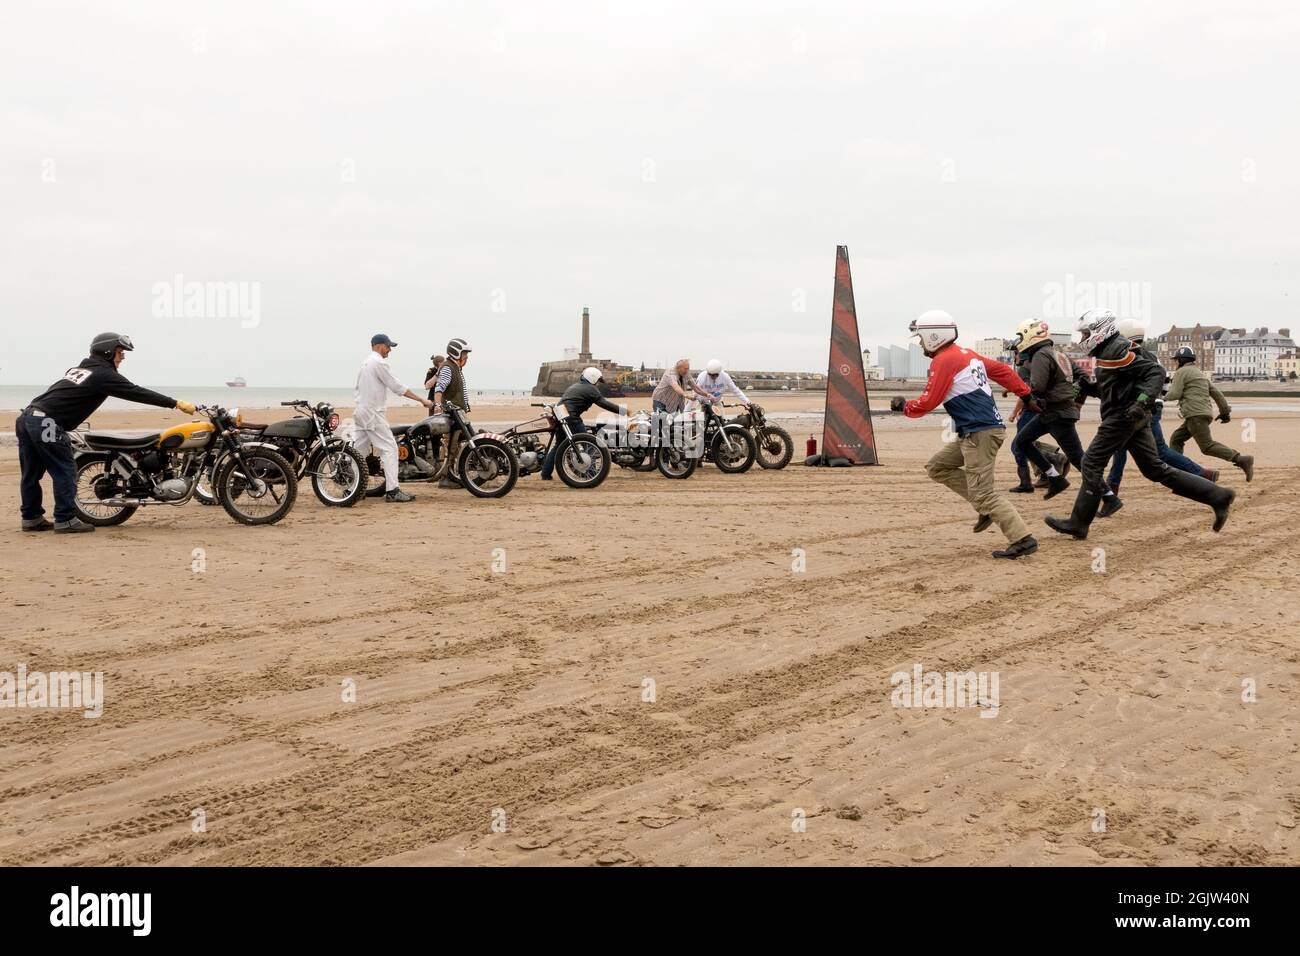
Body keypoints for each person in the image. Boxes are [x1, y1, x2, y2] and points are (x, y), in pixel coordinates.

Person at [1044, 310, 1235, 540]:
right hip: (1131, 417)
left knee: (1091, 463)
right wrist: (1088, 386)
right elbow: (1115, 388)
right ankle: (1218, 496)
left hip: (1122, 418)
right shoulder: (1108, 350)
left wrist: (1142, 402)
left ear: (1098, 330)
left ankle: (1079, 522)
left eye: (1085, 334)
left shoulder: (1116, 349)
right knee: (1154, 469)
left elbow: (1156, 372)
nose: (1082, 339)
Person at [17, 332, 197, 533]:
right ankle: (65, 519)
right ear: (107, 351)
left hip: (28, 418)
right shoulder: (102, 375)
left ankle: (31, 517)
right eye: (120, 352)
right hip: (47, 422)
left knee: (31, 473)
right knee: (66, 469)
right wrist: (175, 403)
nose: (122, 358)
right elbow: (136, 392)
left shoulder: (81, 370)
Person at [902, 310, 1040, 559]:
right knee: (938, 467)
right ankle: (984, 507)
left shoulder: (944, 360)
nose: (920, 342)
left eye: (920, 337)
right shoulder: (966, 355)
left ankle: (1022, 539)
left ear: (933, 335)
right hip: (977, 432)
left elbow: (928, 401)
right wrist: (1026, 394)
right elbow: (1003, 371)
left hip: (980, 434)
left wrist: (903, 406)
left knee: (984, 493)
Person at [1103, 321, 1215, 508]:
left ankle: (1201, 475)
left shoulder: (1129, 356)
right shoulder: (1153, 357)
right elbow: (1163, 385)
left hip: (1138, 409)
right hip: (1153, 407)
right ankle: (1111, 493)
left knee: (1144, 452)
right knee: (1141, 450)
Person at [1008, 319, 1115, 511]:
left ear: (1030, 336)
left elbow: (1038, 387)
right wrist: (1074, 396)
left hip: (1055, 414)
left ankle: (1106, 496)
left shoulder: (1040, 355)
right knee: (1024, 442)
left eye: (1021, 336)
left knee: (1076, 458)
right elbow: (1083, 377)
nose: (1019, 340)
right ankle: (1056, 479)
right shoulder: (1059, 354)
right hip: (1059, 413)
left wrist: (1026, 395)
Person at [352, 333, 432, 503]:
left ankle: (351, 488)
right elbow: (397, 386)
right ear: (379, 345)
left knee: (358, 452)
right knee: (390, 449)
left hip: (361, 411)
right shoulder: (379, 362)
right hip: (373, 413)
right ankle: (393, 490)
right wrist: (422, 400)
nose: (389, 350)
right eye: (388, 346)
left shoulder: (365, 362)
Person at [1166, 346, 1254, 482]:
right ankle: (1178, 471)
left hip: (1195, 415)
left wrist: (1157, 397)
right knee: (1176, 439)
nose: (1175, 363)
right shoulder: (1199, 373)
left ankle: (1241, 459)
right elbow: (1216, 393)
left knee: (1207, 446)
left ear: (1181, 360)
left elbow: (1175, 393)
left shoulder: (1181, 372)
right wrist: (1224, 412)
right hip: (1202, 414)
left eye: (1176, 360)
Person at [1006, 336, 1069, 493]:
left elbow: (1026, 392)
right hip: (1043, 409)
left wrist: (1014, 412)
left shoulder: (1025, 367)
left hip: (1030, 410)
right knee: (1027, 442)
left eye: (1016, 352)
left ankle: (1030, 479)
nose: (1015, 356)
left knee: (1018, 446)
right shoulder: (1034, 364)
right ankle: (1050, 468)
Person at [539, 366, 624, 481]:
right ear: (593, 379)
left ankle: (545, 473)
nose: (598, 384)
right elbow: (604, 403)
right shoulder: (590, 389)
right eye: (598, 381)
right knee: (589, 443)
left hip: (560, 415)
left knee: (559, 445)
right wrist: (624, 411)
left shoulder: (575, 386)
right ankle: (592, 473)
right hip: (571, 417)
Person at [431, 338, 472, 489]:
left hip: (458, 414)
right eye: (465, 354)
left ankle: (452, 474)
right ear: (456, 353)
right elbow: (439, 388)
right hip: (451, 415)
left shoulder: (456, 368)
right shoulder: (448, 368)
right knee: (450, 446)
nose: (466, 358)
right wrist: (437, 405)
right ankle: (445, 477)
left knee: (456, 446)